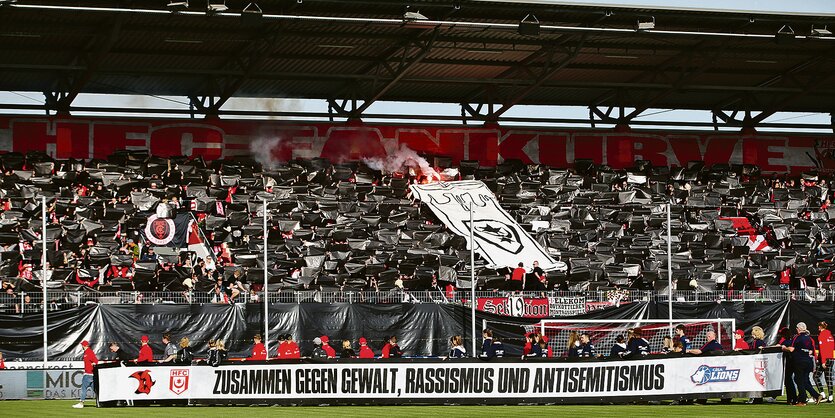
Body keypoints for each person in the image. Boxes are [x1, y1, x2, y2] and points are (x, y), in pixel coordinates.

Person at [784, 322, 823, 405]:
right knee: (804, 380)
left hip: (799, 361)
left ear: (798, 329)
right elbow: (811, 351)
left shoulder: (797, 337)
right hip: (808, 361)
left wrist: (784, 348)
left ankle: (802, 400)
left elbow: (791, 349)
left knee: (799, 380)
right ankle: (816, 395)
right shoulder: (809, 338)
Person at [72, 340, 97, 409]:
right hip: (90, 374)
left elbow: (95, 360)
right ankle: (102, 401)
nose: (82, 346)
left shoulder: (89, 352)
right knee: (95, 389)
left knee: (84, 389)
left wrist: (93, 364)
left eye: (82, 345)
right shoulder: (86, 352)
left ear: (84, 345)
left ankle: (81, 403)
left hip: (88, 374)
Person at [778, 327, 799, 405]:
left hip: (788, 363)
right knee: (792, 381)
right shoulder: (792, 341)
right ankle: (792, 398)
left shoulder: (786, 342)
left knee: (788, 381)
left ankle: (792, 398)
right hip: (794, 362)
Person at [817, 321, 834, 402]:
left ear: (820, 327)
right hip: (831, 358)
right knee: (829, 378)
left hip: (824, 359)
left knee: (816, 376)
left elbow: (822, 349)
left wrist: (823, 361)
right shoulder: (830, 336)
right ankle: (831, 396)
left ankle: (822, 393)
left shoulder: (821, 335)